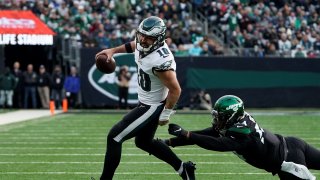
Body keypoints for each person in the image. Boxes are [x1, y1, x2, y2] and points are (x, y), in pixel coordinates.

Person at [95, 16, 196, 180]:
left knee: (114, 136)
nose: (143, 39)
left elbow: (175, 89)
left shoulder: (160, 61)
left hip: (152, 106)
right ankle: (183, 169)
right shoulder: (145, 44)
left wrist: (166, 113)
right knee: (144, 142)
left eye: (148, 37)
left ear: (159, 39)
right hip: (147, 103)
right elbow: (134, 45)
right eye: (141, 34)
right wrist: (112, 51)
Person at [166, 95, 320, 180]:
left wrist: (187, 135)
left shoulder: (243, 132)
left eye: (220, 117)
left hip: (289, 161)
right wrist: (171, 142)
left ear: (232, 116)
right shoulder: (236, 121)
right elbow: (204, 134)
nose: (217, 120)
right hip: (292, 144)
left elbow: (217, 144)